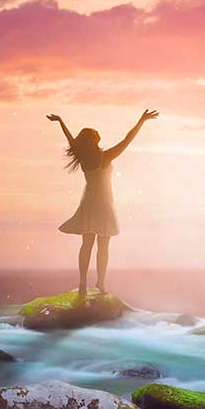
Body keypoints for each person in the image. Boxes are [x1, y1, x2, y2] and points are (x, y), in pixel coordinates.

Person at [47, 109, 159, 301]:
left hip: (89, 202)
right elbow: (127, 139)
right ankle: (101, 282)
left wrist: (61, 121)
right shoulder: (105, 157)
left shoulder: (82, 156)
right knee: (103, 246)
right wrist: (141, 120)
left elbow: (72, 141)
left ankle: (83, 283)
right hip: (104, 204)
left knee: (86, 245)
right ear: (95, 140)